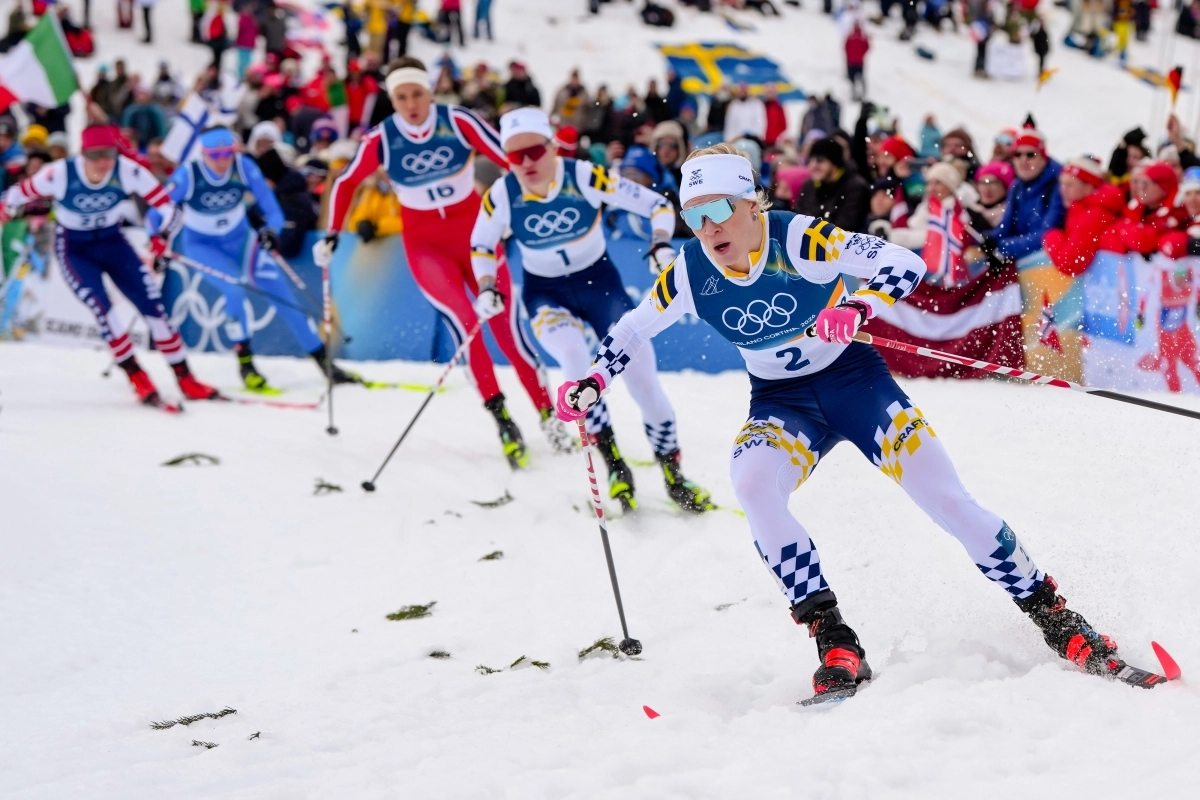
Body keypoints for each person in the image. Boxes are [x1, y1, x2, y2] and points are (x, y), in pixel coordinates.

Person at [556, 143, 1170, 701]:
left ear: (750, 202)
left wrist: (856, 306)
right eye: (694, 214)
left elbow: (900, 264)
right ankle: (835, 640)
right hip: (781, 402)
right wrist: (592, 381)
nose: (709, 226)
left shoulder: (796, 239)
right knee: (751, 484)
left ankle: (1061, 622)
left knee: (947, 500)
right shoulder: (690, 271)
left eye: (719, 207)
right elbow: (634, 329)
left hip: (854, 383)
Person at [320, 57, 562, 467]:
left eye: (417, 93)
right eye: (401, 97)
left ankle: (547, 414)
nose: (411, 103)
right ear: (392, 99)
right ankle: (502, 418)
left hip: (477, 237)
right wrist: (331, 232)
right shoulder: (383, 138)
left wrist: (539, 194)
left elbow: (509, 157)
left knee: (507, 332)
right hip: (426, 248)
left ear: (430, 92)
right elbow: (347, 181)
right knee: (468, 325)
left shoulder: (458, 121)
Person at [471, 108, 713, 511]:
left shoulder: (583, 176)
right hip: (546, 293)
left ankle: (672, 471)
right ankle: (614, 464)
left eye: (534, 150)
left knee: (642, 379)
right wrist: (485, 285)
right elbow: (480, 245)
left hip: (600, 286)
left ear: (551, 146)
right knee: (572, 357)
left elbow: (658, 205)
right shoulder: (501, 194)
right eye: (515, 156)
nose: (527, 162)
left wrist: (659, 242)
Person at [0, 124, 220, 408]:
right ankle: (136, 375)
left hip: (113, 243)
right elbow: (16, 194)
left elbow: (168, 208)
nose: (103, 163)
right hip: (75, 249)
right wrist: (5, 209)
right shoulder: (60, 174)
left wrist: (162, 236)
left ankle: (186, 377)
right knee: (105, 311)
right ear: (83, 155)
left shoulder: (128, 171)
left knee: (154, 311)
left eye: (108, 154)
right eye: (96, 156)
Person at [147, 127, 352, 392]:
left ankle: (326, 365)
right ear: (204, 153)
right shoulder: (189, 174)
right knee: (234, 291)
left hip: (242, 242)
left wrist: (271, 233)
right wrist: (157, 244)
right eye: (215, 155)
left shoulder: (243, 166)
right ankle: (246, 366)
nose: (222, 161)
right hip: (203, 245)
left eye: (227, 154)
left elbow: (273, 211)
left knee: (284, 298)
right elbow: (156, 213)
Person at [980, 126, 1063, 264]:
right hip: (1027, 265)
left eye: (1030, 155)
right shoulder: (1017, 186)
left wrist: (1002, 248)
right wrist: (989, 240)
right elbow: (1006, 226)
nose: (1023, 160)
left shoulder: (1058, 185)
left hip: (1049, 268)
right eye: (1018, 155)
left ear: (1043, 158)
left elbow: (1046, 235)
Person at [1041, 156, 1123, 276]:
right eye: (1062, 184)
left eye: (1070, 185)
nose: (1063, 190)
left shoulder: (1094, 215)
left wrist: (1052, 237)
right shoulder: (1082, 209)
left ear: (1089, 187)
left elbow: (1070, 263)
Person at [795, 136, 871, 233]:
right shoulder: (809, 186)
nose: (813, 165)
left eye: (820, 159)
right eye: (811, 160)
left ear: (834, 162)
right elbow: (798, 219)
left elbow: (845, 228)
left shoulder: (855, 187)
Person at [844, 22, 869, 101]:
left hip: (853, 62)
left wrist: (850, 56)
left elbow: (846, 47)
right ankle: (859, 94)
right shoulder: (861, 36)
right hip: (857, 62)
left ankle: (858, 94)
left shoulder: (852, 36)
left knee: (855, 79)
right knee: (858, 79)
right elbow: (867, 46)